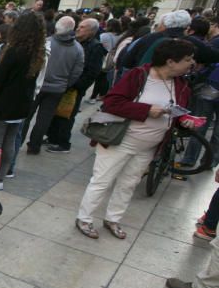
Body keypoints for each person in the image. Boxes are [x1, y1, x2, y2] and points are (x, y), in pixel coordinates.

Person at [75, 39, 195, 240]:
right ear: (170, 61)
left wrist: (184, 121)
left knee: (129, 183)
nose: (191, 63)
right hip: (120, 140)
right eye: (187, 59)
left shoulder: (181, 84)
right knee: (102, 180)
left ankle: (113, 218)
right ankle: (84, 218)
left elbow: (178, 112)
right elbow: (112, 103)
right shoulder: (139, 76)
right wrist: (147, 110)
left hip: (149, 146)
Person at [0, 12, 46, 190]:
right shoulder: (38, 54)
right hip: (21, 106)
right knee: (9, 143)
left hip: (3, 105)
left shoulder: (13, 51)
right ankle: (0, 178)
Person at [24, 16, 84, 155]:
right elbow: (77, 71)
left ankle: (18, 141)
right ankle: (34, 146)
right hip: (58, 89)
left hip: (39, 86)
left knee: (27, 116)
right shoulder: (78, 49)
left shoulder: (47, 42)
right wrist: (65, 84)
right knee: (44, 119)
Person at [45, 18, 105, 153]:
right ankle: (52, 137)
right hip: (65, 84)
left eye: (83, 27)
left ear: (91, 31)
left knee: (67, 115)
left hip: (75, 87)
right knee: (57, 112)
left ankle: (63, 142)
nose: (78, 29)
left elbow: (92, 72)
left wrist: (76, 86)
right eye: (79, 26)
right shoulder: (76, 43)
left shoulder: (95, 47)